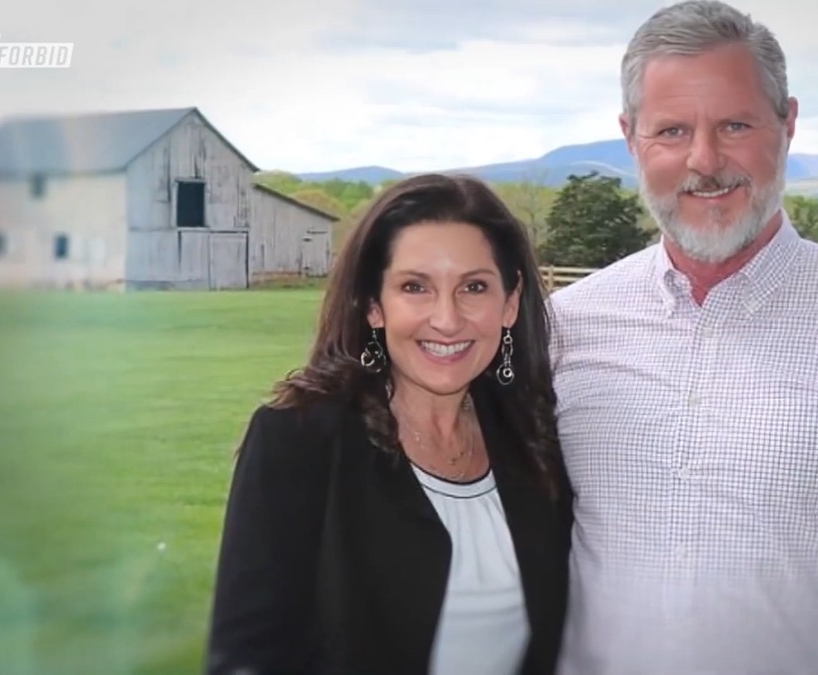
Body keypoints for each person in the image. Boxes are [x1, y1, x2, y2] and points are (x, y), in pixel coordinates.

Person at [548, 2, 818, 674]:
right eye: (671, 130)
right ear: (631, 137)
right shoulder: (569, 323)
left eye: (735, 124)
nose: (705, 161)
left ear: (787, 124)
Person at [204, 173, 572, 674]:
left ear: (510, 303)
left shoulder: (535, 437)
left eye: (474, 287)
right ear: (374, 305)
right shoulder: (299, 439)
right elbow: (247, 659)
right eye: (415, 287)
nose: (447, 318)